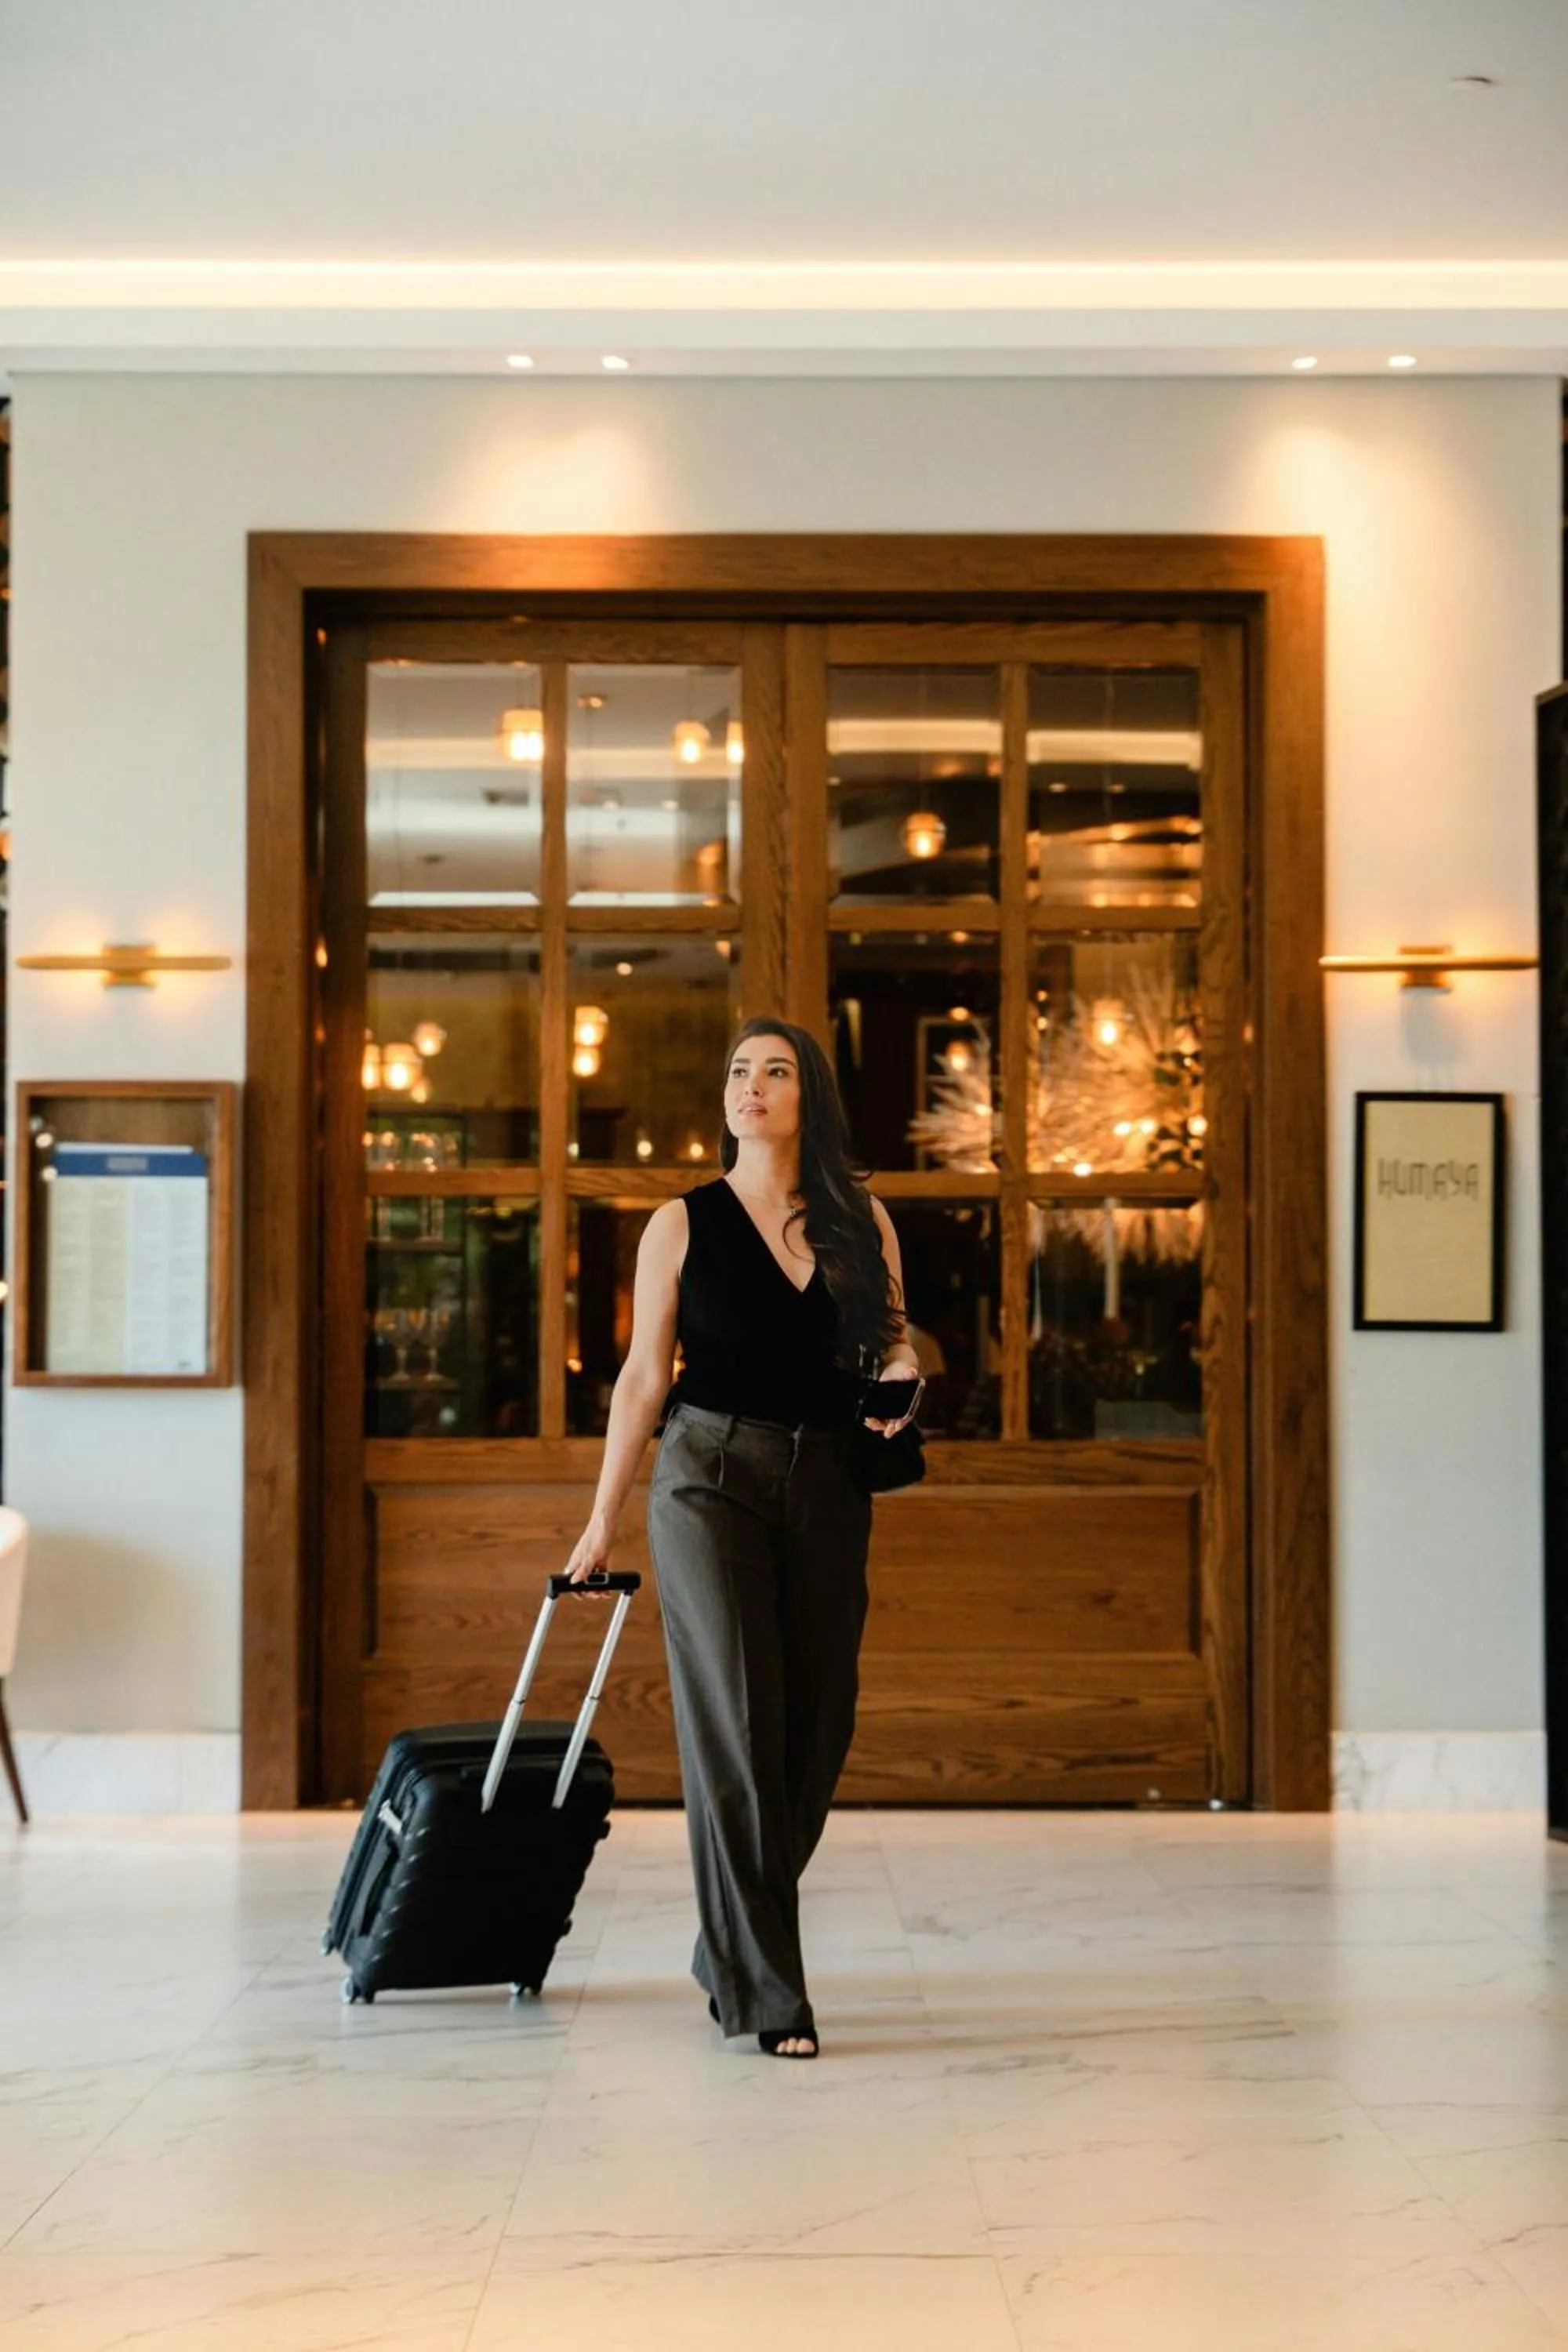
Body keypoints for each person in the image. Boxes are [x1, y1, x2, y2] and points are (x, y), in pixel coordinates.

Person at [562, 1016, 921, 2059]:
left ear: (809, 1096)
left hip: (827, 1484)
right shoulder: (680, 1224)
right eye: (738, 1071)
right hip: (708, 1481)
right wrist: (600, 1516)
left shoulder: (865, 1221)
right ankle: (770, 1993)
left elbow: (893, 1343)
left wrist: (904, 1375)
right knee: (735, 1725)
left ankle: (728, 1941)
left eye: (776, 1072)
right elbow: (642, 1381)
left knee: (816, 1727)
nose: (751, 1086)